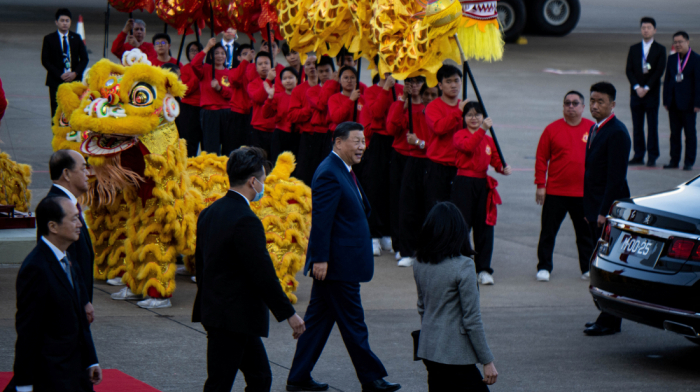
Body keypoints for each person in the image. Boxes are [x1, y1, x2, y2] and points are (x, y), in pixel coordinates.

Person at [286, 122, 401, 392]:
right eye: (356, 141)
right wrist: (321, 259)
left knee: (316, 323)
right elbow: (322, 220)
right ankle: (372, 378)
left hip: (341, 263)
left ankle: (298, 377)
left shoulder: (343, 169)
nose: (362, 146)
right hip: (337, 266)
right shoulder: (329, 172)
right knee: (353, 323)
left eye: (364, 141)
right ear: (338, 142)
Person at [192, 147, 305, 392]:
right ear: (253, 181)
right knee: (222, 383)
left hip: (219, 313)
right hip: (233, 317)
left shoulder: (209, 213)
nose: (263, 186)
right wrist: (289, 313)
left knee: (260, 377)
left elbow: (200, 266)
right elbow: (262, 273)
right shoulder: (246, 220)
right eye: (263, 181)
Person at [11, 196, 102, 392]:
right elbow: (28, 332)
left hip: (76, 375)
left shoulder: (67, 257)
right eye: (73, 219)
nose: (79, 224)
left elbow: (80, 319)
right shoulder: (36, 268)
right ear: (53, 226)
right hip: (52, 378)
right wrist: (25, 385)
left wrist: (90, 361)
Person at [413, 202, 498, 392]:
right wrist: (487, 360)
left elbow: (422, 307)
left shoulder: (419, 262)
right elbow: (472, 319)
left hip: (429, 348)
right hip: (456, 355)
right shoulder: (464, 266)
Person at [582, 82, 631, 336]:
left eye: (600, 102)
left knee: (609, 266)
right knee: (599, 262)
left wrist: (603, 212)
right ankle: (607, 315)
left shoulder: (617, 133)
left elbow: (615, 178)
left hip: (607, 210)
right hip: (594, 207)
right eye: (592, 101)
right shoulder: (595, 129)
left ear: (612, 104)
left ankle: (610, 319)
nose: (594, 106)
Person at [534, 92, 595, 282]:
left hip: (582, 193)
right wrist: (540, 185)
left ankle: (587, 268)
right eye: (567, 103)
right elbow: (541, 158)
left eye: (575, 103)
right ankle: (544, 267)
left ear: (583, 107)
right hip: (555, 192)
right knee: (548, 232)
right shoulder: (552, 130)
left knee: (585, 234)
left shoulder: (593, 129)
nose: (571, 106)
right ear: (563, 106)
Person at [451, 102, 511, 285]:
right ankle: (461, 266)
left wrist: (502, 168)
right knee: (462, 225)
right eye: (469, 114)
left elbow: (494, 160)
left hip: (482, 184)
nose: (474, 118)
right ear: (463, 118)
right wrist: (483, 129)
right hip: (463, 183)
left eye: (477, 115)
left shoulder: (488, 139)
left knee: (485, 227)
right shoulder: (460, 135)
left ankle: (484, 268)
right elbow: (468, 147)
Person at [388, 81, 439, 267]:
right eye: (427, 95)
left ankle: (429, 249)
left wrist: (420, 143)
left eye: (433, 95)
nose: (429, 98)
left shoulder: (437, 113)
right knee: (408, 206)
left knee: (430, 207)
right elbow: (392, 128)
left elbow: (438, 140)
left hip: (433, 162)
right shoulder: (411, 109)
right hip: (412, 160)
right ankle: (407, 250)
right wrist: (403, 103)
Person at [361, 72, 404, 257]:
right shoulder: (371, 91)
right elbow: (377, 113)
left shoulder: (402, 90)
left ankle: (389, 232)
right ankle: (374, 235)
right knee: (375, 187)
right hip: (379, 140)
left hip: (397, 141)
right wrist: (386, 88)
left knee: (393, 187)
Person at [46, 149, 95, 305]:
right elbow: (64, 262)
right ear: (66, 174)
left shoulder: (66, 203)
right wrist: (83, 302)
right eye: (83, 168)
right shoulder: (57, 206)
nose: (88, 173)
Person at [424, 65, 468, 210]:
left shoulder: (466, 107)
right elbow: (439, 128)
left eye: (457, 80)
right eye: (448, 81)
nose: (454, 85)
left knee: (460, 210)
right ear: (440, 85)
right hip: (438, 167)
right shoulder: (433, 107)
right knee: (438, 209)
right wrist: (458, 113)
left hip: (460, 166)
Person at [625, 17, 667, 167]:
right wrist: (637, 87)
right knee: (637, 126)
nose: (646, 30)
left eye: (649, 27)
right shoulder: (634, 48)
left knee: (652, 125)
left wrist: (647, 88)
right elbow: (629, 70)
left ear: (654, 30)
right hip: (636, 93)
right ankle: (638, 154)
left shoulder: (660, 49)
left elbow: (659, 71)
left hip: (651, 93)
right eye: (643, 27)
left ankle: (652, 155)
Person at [41, 8, 89, 122]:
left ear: (70, 22)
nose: (64, 23)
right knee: (56, 109)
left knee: (73, 107)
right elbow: (45, 60)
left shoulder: (76, 38)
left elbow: (84, 59)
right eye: (62, 20)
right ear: (56, 22)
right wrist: (59, 74)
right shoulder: (49, 39)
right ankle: (56, 134)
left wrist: (75, 73)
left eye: (67, 21)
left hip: (73, 80)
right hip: (56, 80)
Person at [295, 56, 336, 185]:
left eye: (327, 71)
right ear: (317, 73)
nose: (324, 74)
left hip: (334, 134)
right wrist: (331, 83)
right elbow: (322, 104)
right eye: (321, 71)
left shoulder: (339, 88)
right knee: (313, 169)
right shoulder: (311, 91)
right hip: (317, 135)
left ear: (333, 72)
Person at [662, 31, 700, 171]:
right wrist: (665, 99)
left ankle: (689, 161)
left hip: (689, 104)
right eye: (675, 42)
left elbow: (698, 83)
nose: (677, 45)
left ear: (687, 42)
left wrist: (697, 103)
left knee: (690, 134)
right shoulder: (672, 59)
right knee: (674, 134)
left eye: (680, 42)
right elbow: (667, 81)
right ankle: (674, 160)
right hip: (673, 103)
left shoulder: (696, 59)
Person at [192, 38, 233, 155]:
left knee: (228, 145)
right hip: (210, 113)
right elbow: (194, 63)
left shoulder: (229, 73)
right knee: (211, 146)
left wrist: (220, 88)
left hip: (226, 112)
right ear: (211, 56)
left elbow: (232, 94)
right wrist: (207, 47)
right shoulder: (205, 69)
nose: (219, 56)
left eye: (222, 53)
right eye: (216, 53)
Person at [248, 52, 284, 158]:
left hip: (276, 128)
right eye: (260, 64)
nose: (263, 66)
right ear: (256, 68)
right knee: (259, 160)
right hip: (259, 129)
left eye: (266, 63)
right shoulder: (252, 84)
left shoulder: (280, 83)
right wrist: (268, 80)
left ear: (271, 65)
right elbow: (259, 98)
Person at [263, 66, 300, 163]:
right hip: (280, 135)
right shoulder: (278, 96)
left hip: (297, 135)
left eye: (291, 77)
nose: (288, 81)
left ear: (297, 79)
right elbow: (266, 114)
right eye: (284, 78)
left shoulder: (302, 95)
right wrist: (270, 97)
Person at [227, 44, 255, 153]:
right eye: (244, 54)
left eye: (250, 54)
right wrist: (246, 62)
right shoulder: (234, 71)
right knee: (234, 146)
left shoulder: (256, 70)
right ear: (238, 58)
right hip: (237, 113)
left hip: (252, 113)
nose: (248, 56)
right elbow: (234, 80)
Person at [179, 41, 204, 158]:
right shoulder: (185, 69)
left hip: (204, 108)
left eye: (197, 51)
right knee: (189, 144)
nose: (194, 53)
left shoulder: (207, 68)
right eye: (192, 51)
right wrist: (197, 75)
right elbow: (185, 91)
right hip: (189, 109)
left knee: (205, 142)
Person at [328, 67, 366, 133]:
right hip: (341, 135)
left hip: (358, 134)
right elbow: (336, 118)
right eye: (346, 78)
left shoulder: (363, 99)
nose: (349, 81)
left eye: (352, 77)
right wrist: (350, 100)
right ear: (339, 80)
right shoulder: (334, 98)